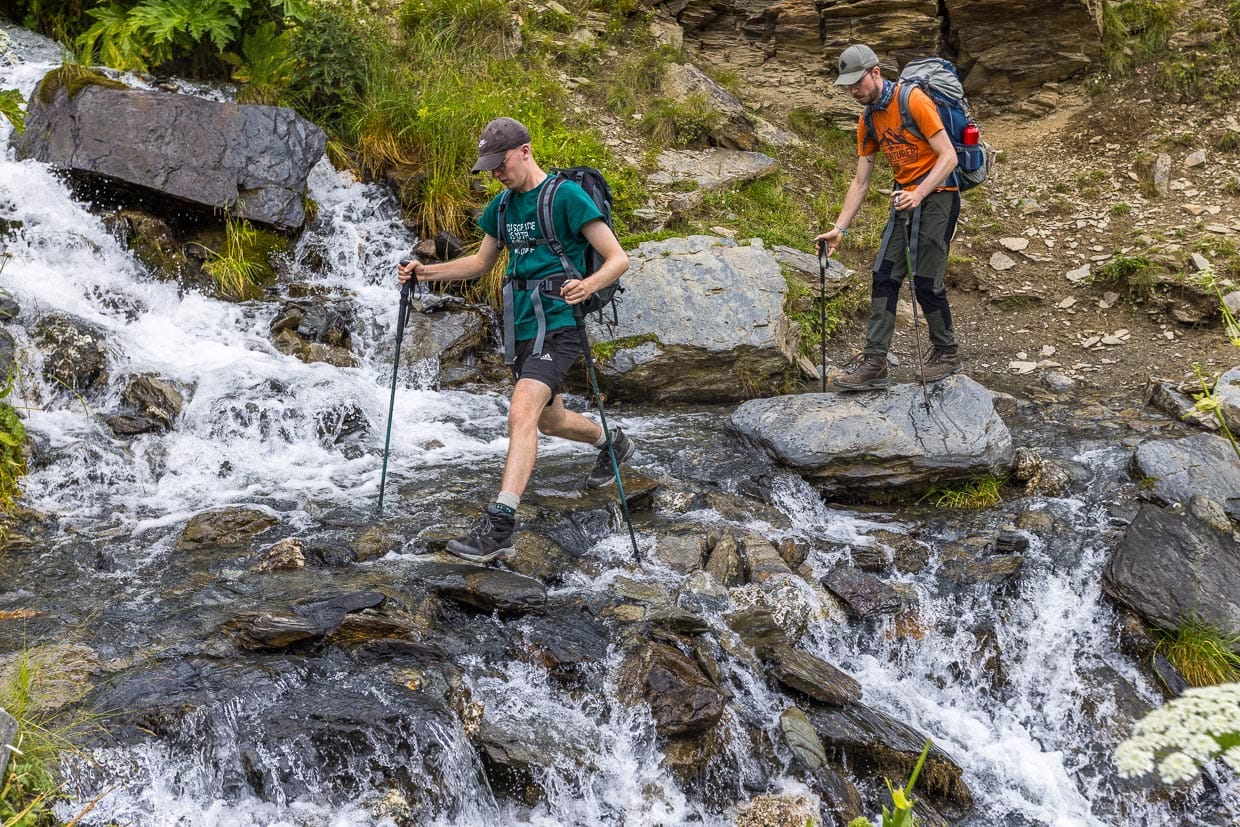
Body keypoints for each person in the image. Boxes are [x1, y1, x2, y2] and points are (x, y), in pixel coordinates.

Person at [397, 117, 633, 563]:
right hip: (520, 324)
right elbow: (481, 264)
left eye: (500, 164)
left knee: (521, 410)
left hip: (560, 322)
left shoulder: (566, 196)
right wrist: (423, 272)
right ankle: (612, 441)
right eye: (489, 168)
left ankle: (500, 524)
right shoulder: (503, 208)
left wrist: (589, 284)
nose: (496, 175)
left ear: (525, 151)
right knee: (549, 421)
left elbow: (617, 257)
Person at [815, 44, 963, 391]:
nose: (853, 91)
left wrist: (919, 192)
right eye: (847, 85)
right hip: (904, 200)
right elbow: (860, 180)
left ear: (876, 72)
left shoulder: (913, 101)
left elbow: (949, 157)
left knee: (926, 280)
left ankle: (947, 353)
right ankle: (875, 362)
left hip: (939, 196)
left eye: (858, 82)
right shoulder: (868, 120)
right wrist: (839, 229)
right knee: (884, 274)